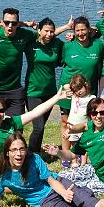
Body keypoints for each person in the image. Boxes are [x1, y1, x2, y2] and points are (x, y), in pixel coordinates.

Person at [58, 16, 103, 151]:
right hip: (69, 91)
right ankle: (66, 153)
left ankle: (84, 152)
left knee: (88, 122)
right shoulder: (68, 46)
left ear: (89, 30)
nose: (80, 33)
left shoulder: (98, 45)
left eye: (83, 30)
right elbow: (61, 62)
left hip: (89, 93)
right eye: (77, 30)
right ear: (73, 31)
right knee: (67, 122)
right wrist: (66, 87)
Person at [0, 7, 36, 116]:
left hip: (14, 90)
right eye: (7, 23)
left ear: (18, 23)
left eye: (14, 23)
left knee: (16, 128)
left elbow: (46, 34)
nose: (10, 26)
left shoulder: (25, 35)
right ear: (2, 22)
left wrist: (71, 34)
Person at [24, 17, 66, 153]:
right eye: (46, 31)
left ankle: (36, 154)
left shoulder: (57, 44)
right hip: (33, 91)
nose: (49, 34)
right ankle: (30, 154)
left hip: (50, 92)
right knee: (38, 127)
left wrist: (69, 34)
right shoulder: (31, 43)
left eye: (52, 31)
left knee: (42, 126)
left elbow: (62, 59)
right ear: (39, 31)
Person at [64, 74, 95, 166]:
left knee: (84, 145)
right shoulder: (74, 96)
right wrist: (72, 85)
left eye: (80, 88)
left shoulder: (91, 98)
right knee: (74, 144)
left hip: (83, 126)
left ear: (86, 85)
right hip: (72, 125)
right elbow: (66, 87)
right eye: (76, 90)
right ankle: (74, 161)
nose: (79, 92)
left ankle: (84, 162)